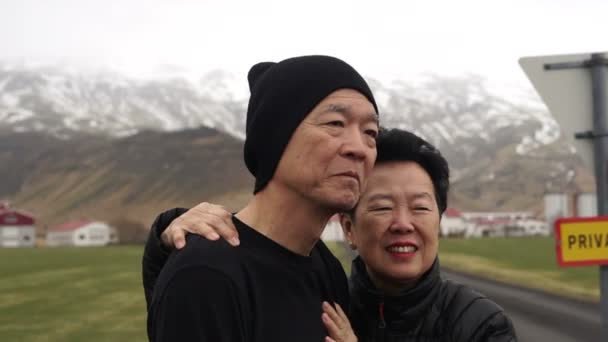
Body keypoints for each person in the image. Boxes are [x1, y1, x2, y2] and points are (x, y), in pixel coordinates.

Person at [145, 128, 517, 341]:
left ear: (439, 222)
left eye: (420, 208)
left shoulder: (479, 326)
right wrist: (171, 238)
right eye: (382, 207)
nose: (403, 222)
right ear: (349, 229)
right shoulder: (325, 298)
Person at [144, 55, 380, 342]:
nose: (360, 148)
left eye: (370, 133)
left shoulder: (324, 266)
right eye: (334, 123)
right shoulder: (205, 277)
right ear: (275, 137)